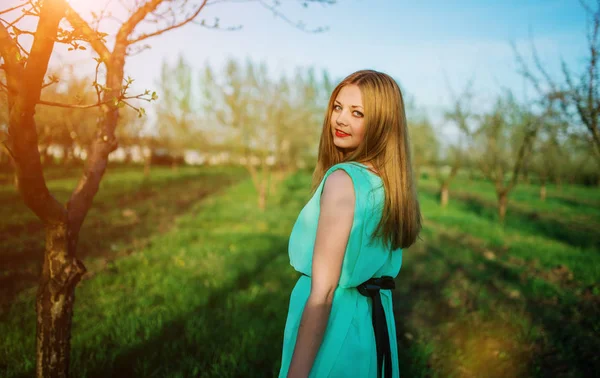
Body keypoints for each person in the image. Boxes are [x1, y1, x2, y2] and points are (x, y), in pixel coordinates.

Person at [277, 69, 422, 378]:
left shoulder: (343, 181)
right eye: (338, 107)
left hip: (332, 329)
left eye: (357, 113)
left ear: (382, 124)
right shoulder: (387, 184)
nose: (340, 119)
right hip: (369, 326)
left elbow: (324, 293)